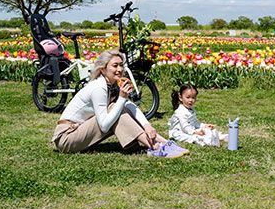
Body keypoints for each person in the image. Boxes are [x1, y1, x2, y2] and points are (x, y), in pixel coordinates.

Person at [51, 49, 189, 158]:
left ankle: (161, 141)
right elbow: (104, 126)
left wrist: (147, 126)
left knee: (118, 106)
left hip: (81, 131)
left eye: (121, 65)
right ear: (103, 69)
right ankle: (154, 147)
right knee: (114, 107)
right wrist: (122, 98)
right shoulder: (99, 87)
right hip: (67, 138)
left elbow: (129, 106)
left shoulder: (112, 84)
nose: (120, 69)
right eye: (115, 65)